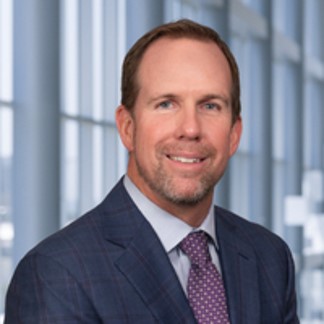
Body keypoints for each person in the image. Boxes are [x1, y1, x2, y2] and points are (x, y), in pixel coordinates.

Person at [5, 19, 299, 323]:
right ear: (127, 127)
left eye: (210, 106)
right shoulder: (56, 276)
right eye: (166, 104)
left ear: (234, 133)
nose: (190, 128)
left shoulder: (270, 258)